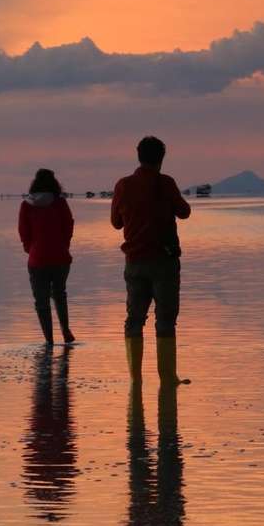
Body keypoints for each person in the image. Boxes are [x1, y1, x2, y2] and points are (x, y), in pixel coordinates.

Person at [110, 136, 191, 386]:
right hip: (164, 262)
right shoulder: (166, 183)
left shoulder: (123, 185)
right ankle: (167, 378)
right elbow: (185, 212)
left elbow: (116, 223)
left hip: (134, 262)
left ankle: (135, 379)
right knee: (165, 319)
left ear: (139, 156)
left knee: (134, 319)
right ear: (161, 159)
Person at [18, 168, 76, 345]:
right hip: (60, 257)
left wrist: (31, 249)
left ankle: (49, 339)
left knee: (41, 301)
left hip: (37, 259)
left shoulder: (27, 205)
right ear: (54, 184)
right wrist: (63, 246)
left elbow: (23, 231)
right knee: (59, 294)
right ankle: (65, 331)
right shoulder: (60, 203)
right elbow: (68, 226)